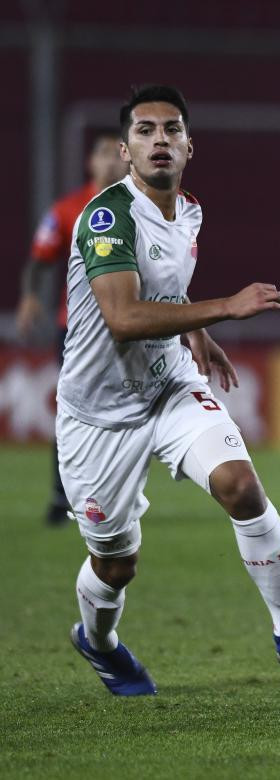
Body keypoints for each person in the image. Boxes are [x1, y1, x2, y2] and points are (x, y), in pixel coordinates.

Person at [60, 84, 280, 695]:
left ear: (189, 146)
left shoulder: (188, 210)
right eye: (145, 131)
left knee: (240, 486)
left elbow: (162, 293)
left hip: (167, 387)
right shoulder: (107, 216)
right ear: (124, 150)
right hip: (98, 418)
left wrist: (196, 334)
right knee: (116, 563)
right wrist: (226, 311)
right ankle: (100, 642)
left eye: (171, 130)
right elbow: (123, 317)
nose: (159, 139)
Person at [16, 130, 127, 526]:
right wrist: (30, 296)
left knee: (127, 413)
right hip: (78, 330)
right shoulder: (67, 210)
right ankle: (60, 496)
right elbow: (40, 259)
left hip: (130, 328)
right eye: (103, 153)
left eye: (117, 153)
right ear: (91, 163)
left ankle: (116, 495)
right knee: (73, 412)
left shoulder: (142, 207)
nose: (111, 161)